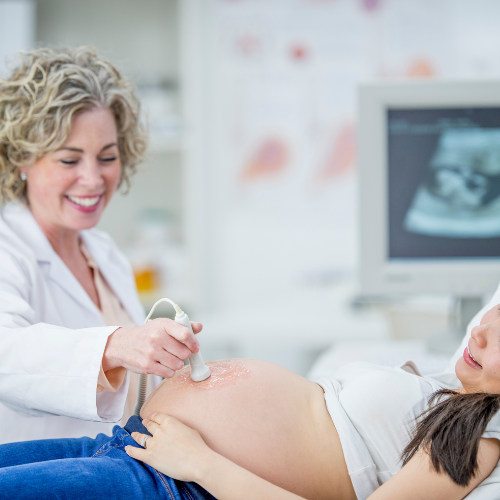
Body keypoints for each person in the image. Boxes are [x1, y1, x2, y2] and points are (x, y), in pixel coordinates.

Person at [1, 303, 500, 500]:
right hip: (130, 445)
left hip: (172, 483)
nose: (477, 333)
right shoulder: (446, 387)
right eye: (490, 318)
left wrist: (199, 463)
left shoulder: (482, 440)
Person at [0, 46, 202, 444]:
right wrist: (115, 346)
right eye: (69, 160)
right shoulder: (8, 247)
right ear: (22, 158)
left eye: (107, 157)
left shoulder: (104, 251)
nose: (93, 180)